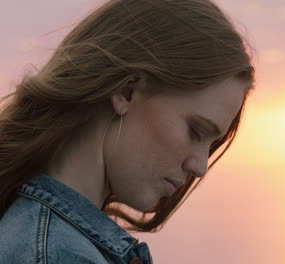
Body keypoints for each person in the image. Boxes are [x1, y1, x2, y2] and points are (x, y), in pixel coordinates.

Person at [0, 0, 255, 263]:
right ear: (126, 91)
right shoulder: (56, 254)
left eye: (211, 145)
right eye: (196, 131)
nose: (200, 166)